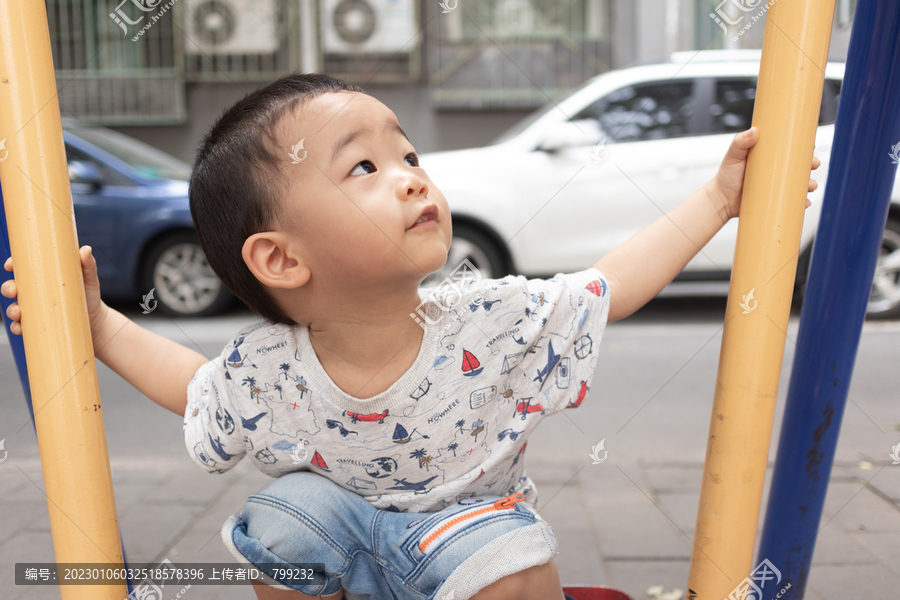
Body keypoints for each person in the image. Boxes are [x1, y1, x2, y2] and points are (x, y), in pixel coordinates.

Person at [2, 73, 819, 600]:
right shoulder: (267, 369)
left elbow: (609, 287)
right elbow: (191, 383)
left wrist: (718, 201)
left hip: (464, 535)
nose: (411, 173)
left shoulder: (488, 320)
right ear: (281, 259)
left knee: (516, 564)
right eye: (364, 168)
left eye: (409, 151)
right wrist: (98, 323)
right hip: (347, 552)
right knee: (277, 522)